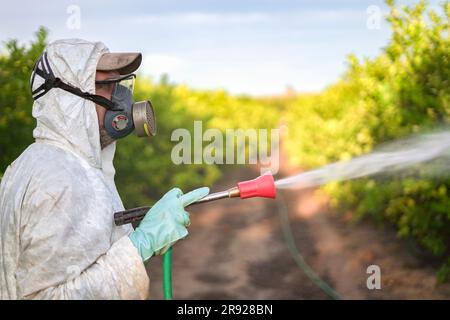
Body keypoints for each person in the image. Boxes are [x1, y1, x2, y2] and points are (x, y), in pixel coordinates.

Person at [0, 39, 209, 299]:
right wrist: (139, 245)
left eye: (119, 84)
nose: (122, 98)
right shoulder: (58, 179)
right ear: (69, 100)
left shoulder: (44, 163)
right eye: (107, 86)